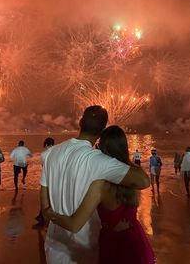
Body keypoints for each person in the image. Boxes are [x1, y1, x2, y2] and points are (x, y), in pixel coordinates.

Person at [40, 105, 150, 264]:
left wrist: (48, 213)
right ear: (101, 132)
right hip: (84, 251)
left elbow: (44, 193)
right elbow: (143, 181)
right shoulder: (99, 161)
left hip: (54, 248)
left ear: (80, 122)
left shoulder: (50, 153)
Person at [34, 137, 55, 227]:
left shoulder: (43, 154)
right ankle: (41, 216)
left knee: (45, 199)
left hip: (47, 179)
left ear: (46, 144)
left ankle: (43, 219)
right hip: (57, 178)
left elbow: (43, 166)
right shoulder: (58, 152)